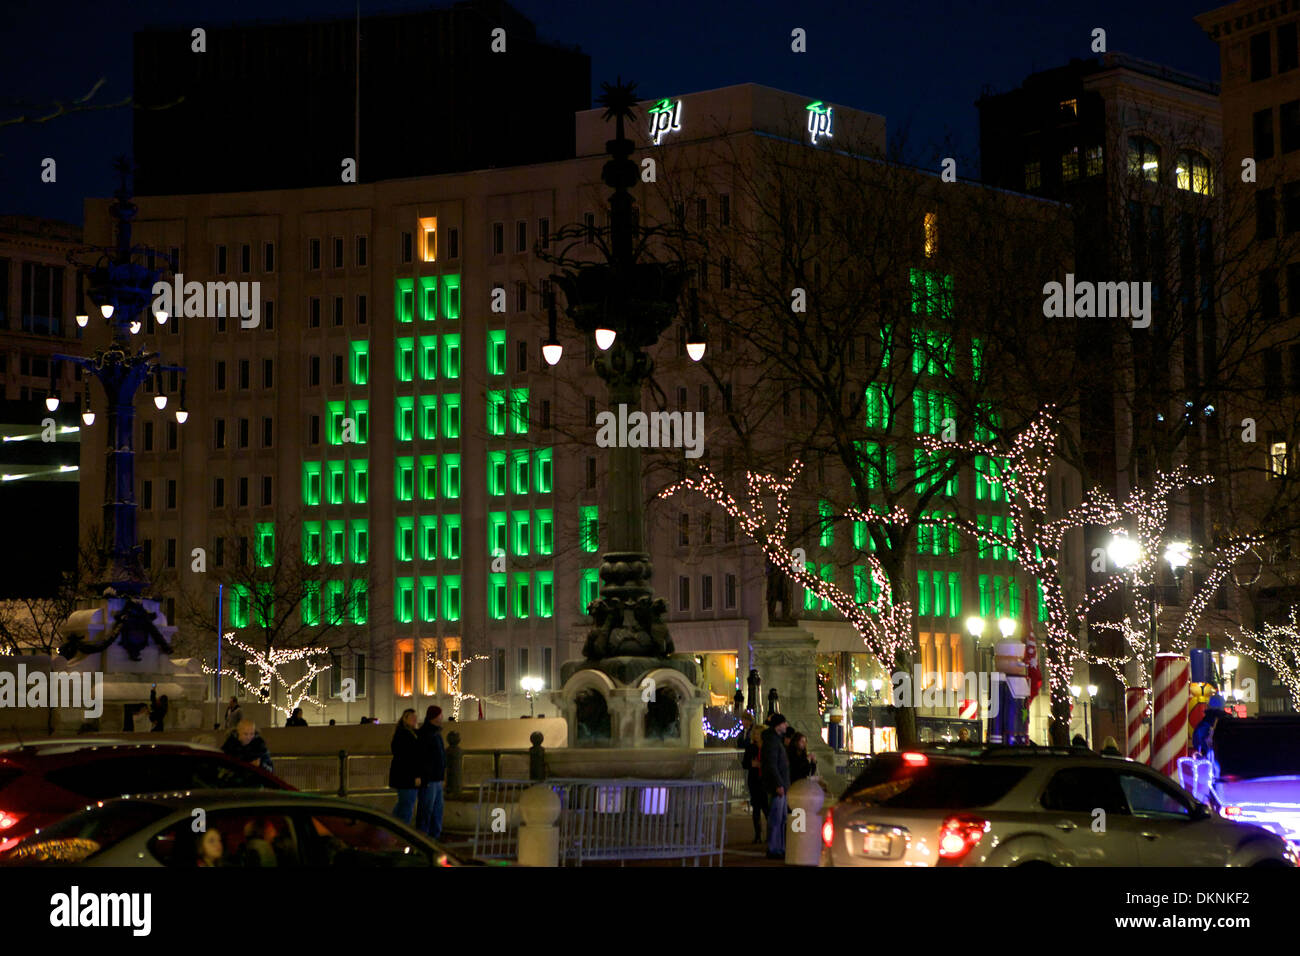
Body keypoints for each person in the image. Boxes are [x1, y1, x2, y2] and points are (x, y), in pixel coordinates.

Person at [761, 712, 791, 860]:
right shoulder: (772, 741)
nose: (786, 725)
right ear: (778, 725)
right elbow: (772, 765)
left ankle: (778, 847)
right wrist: (779, 784)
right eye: (784, 723)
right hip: (778, 786)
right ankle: (774, 848)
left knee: (780, 818)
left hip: (781, 785)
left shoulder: (774, 739)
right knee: (776, 818)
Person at [416, 705, 447, 838]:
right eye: (440, 715)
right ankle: (424, 837)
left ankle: (433, 836)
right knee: (427, 809)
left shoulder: (434, 733)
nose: (442, 717)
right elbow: (422, 757)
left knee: (436, 810)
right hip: (430, 779)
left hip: (436, 778)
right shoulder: (427, 734)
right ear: (434, 717)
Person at [389, 708, 422, 825]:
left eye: (415, 718)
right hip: (406, 778)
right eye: (412, 718)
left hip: (402, 776)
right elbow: (409, 759)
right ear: (405, 719)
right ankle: (400, 832)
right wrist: (416, 775)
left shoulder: (403, 734)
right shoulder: (406, 735)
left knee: (403, 804)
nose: (415, 720)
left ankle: (390, 827)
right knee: (407, 806)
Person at [741, 724, 766, 843]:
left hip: (765, 780)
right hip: (755, 780)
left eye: (758, 734)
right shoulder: (751, 748)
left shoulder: (767, 747)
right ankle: (758, 834)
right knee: (756, 808)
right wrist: (751, 764)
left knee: (767, 809)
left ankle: (770, 834)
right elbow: (745, 763)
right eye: (755, 734)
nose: (756, 736)